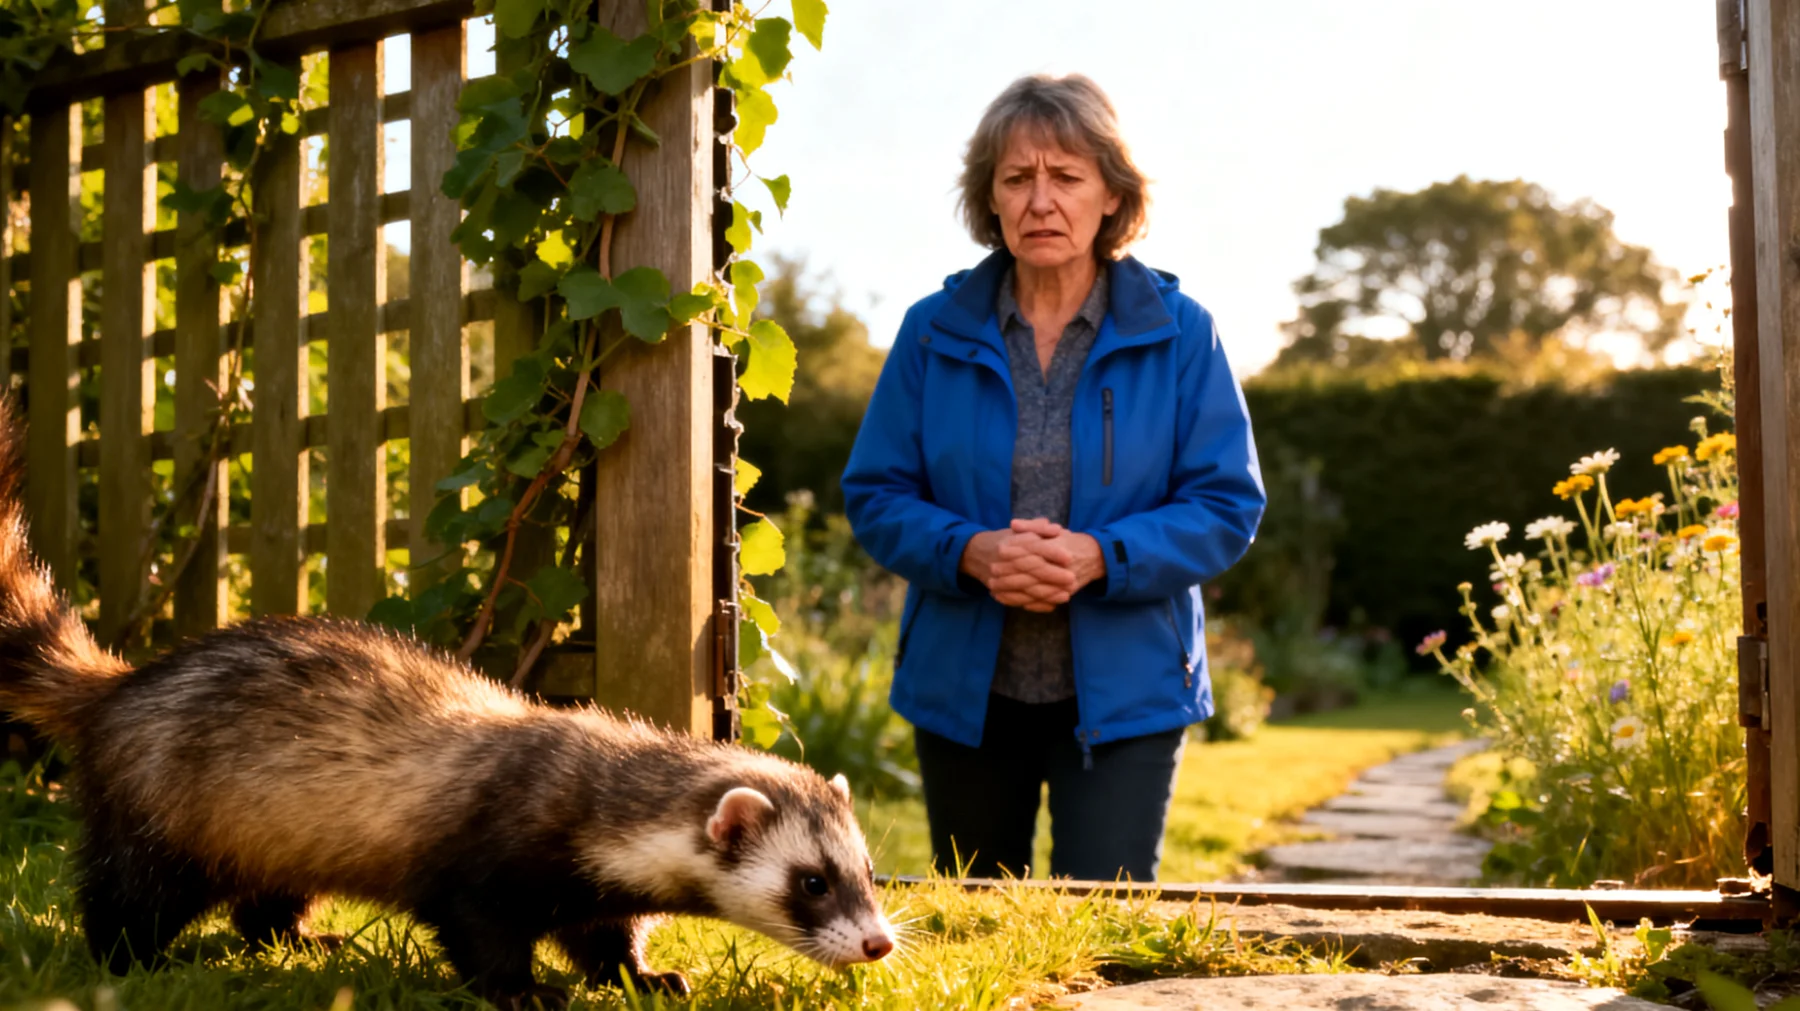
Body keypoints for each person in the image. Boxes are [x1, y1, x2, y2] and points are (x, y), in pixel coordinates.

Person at [840, 73, 1266, 882]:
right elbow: (876, 493)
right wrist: (972, 552)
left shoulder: (1182, 333)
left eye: (1066, 177)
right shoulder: (930, 332)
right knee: (977, 929)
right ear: (990, 200)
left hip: (1129, 693)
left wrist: (1100, 556)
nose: (1041, 200)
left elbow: (1225, 504)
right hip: (964, 694)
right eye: (1017, 178)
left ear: (1112, 194)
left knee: (1103, 926)